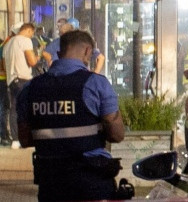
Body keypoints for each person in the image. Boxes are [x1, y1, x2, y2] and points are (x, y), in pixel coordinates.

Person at [18, 29, 131, 201]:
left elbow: (25, 140)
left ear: (58, 53)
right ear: (87, 51)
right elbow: (117, 135)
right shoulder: (96, 84)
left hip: (51, 183)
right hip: (92, 182)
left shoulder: (30, 89)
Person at [5, 23, 38, 147]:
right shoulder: (25, 41)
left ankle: (15, 139)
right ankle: (27, 138)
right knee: (27, 108)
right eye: (32, 33)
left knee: (14, 109)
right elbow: (32, 61)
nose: (31, 36)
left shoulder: (8, 43)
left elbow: (3, 64)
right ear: (28, 30)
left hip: (11, 80)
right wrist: (38, 56)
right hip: (23, 79)